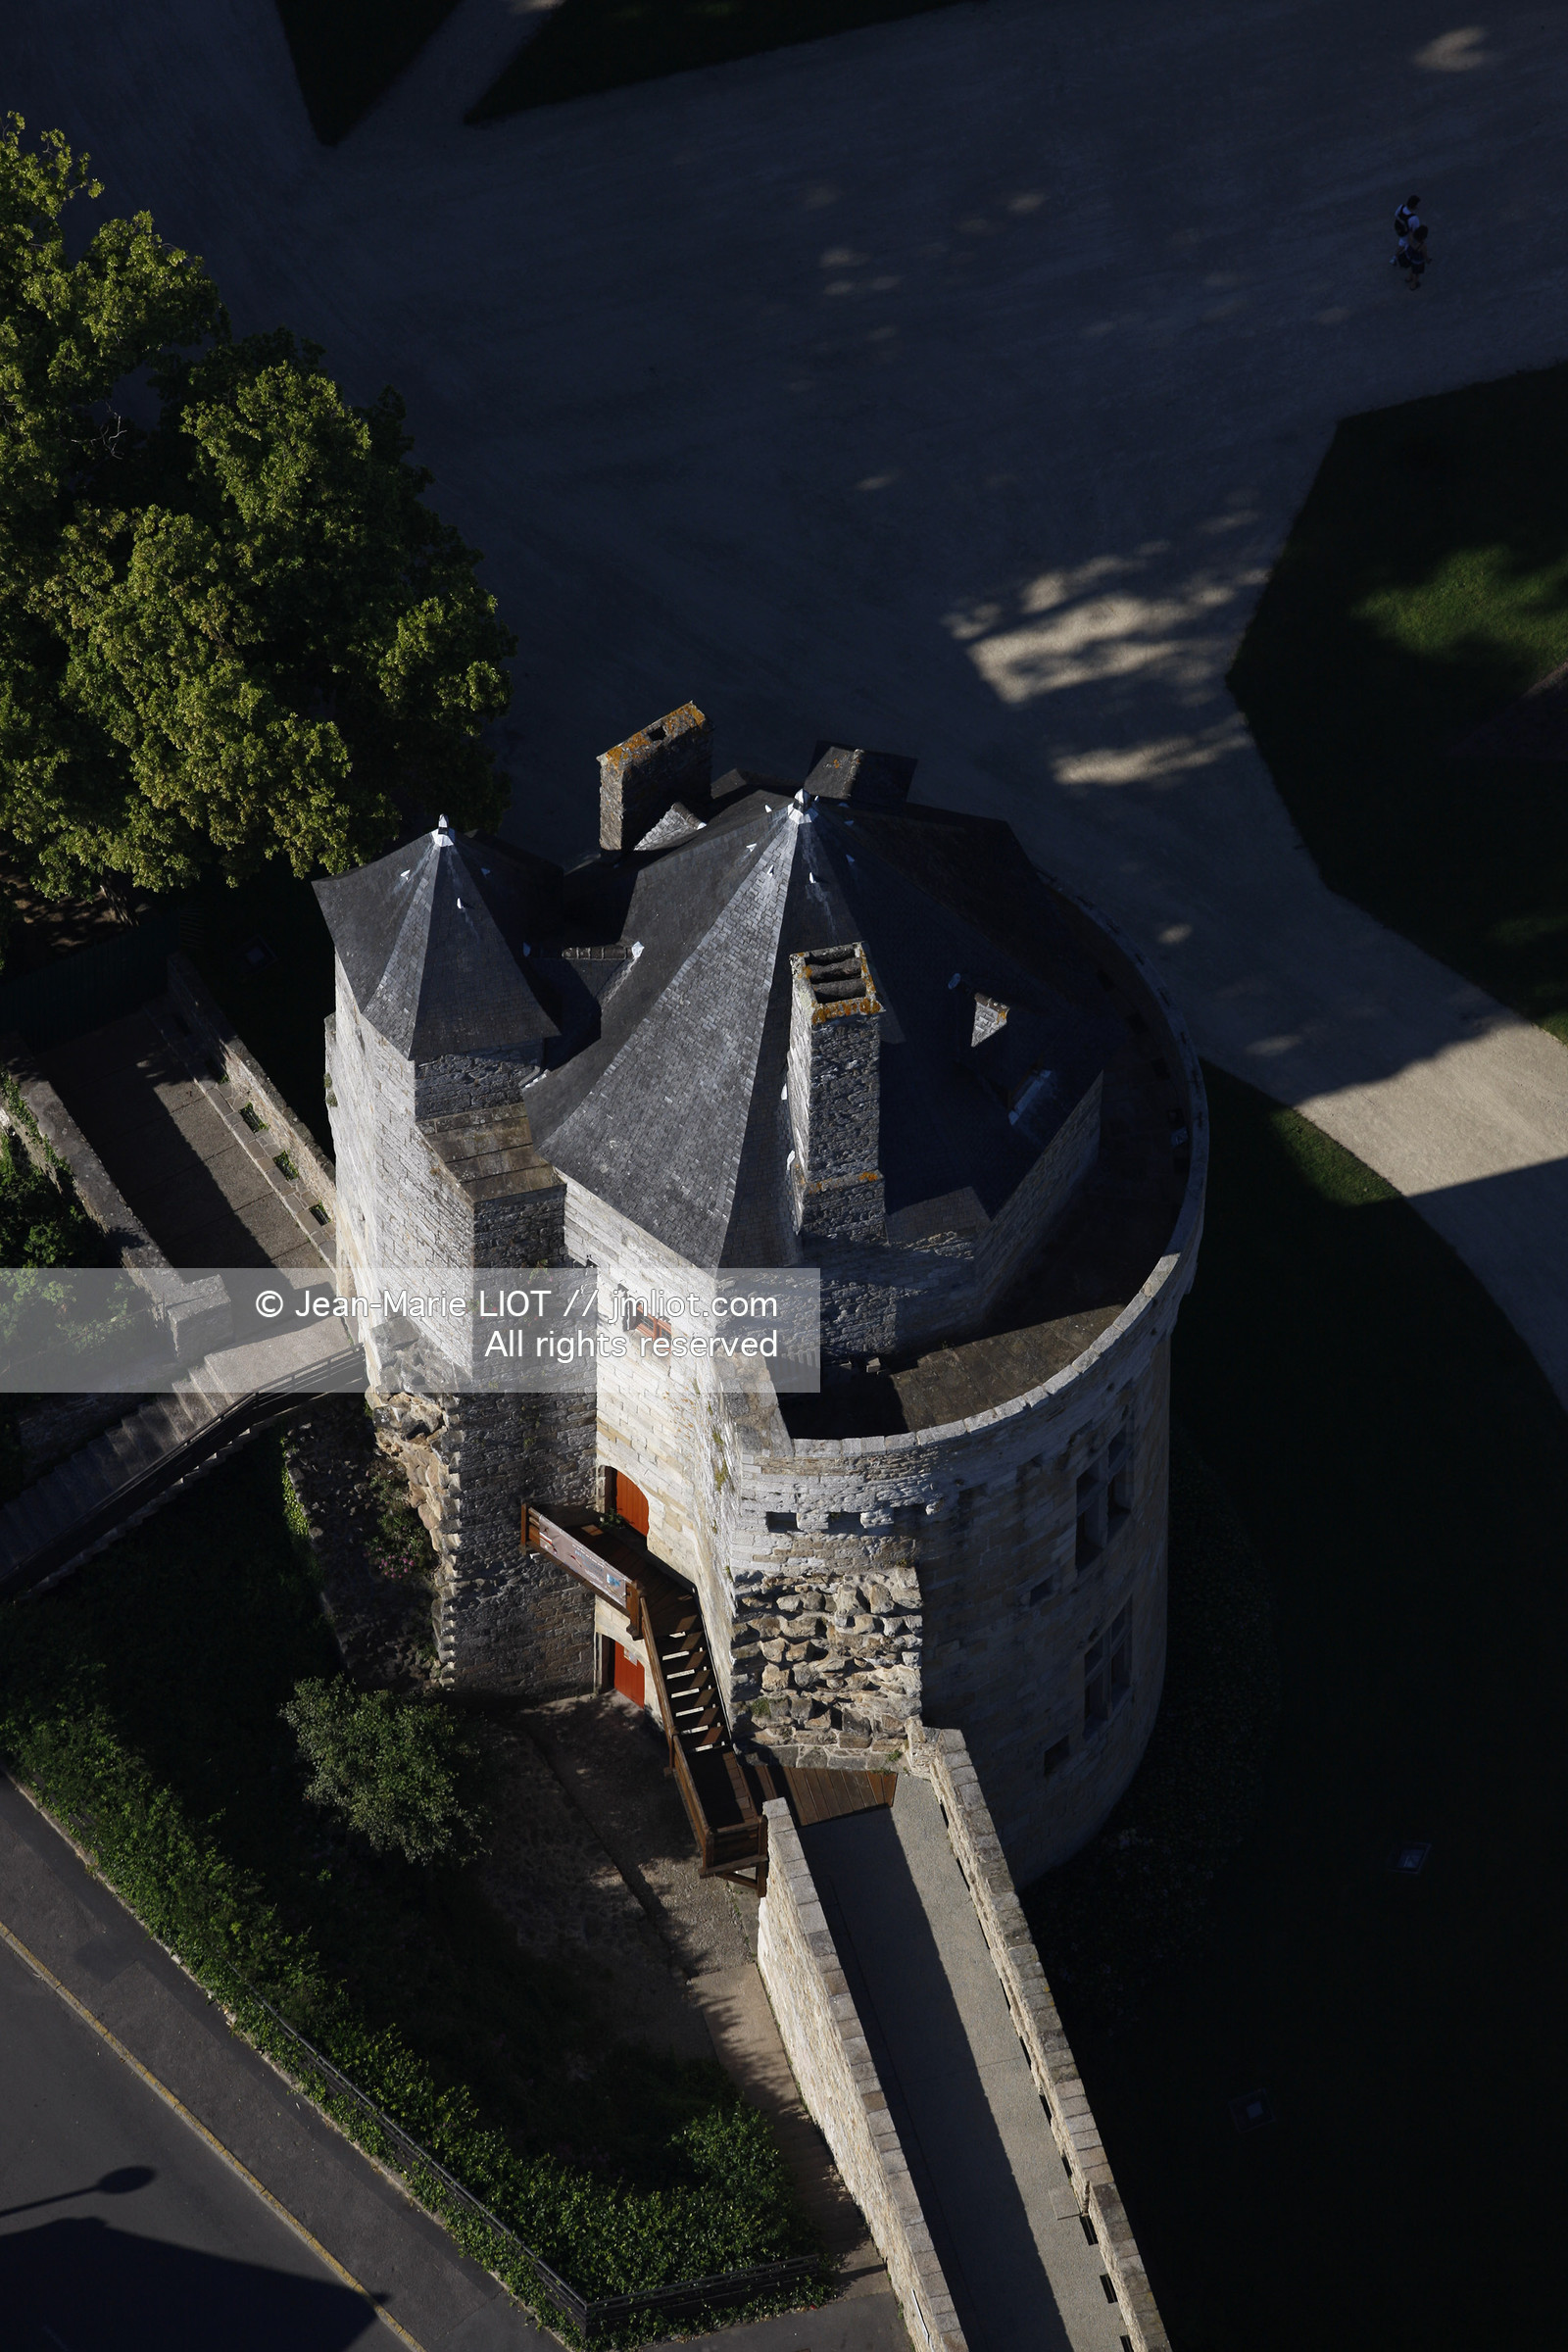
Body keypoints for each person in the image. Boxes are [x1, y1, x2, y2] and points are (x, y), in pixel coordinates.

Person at [1401, 221, 1431, 289]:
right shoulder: (1422, 246)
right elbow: (1425, 255)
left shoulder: (1411, 236)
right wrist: (1428, 260)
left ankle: (1409, 278)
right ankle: (1414, 285)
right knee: (1416, 273)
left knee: (1411, 268)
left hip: (1410, 256)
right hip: (1418, 261)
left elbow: (1409, 241)